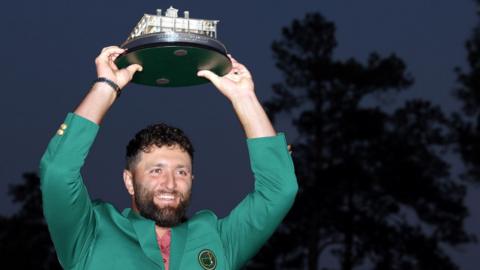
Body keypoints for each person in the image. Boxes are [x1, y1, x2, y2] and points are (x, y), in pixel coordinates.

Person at [40, 46, 298, 270]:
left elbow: (279, 190)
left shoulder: (217, 239)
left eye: (182, 172)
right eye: (156, 170)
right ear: (129, 181)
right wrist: (106, 87)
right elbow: (58, 171)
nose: (171, 183)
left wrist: (244, 98)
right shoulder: (89, 233)